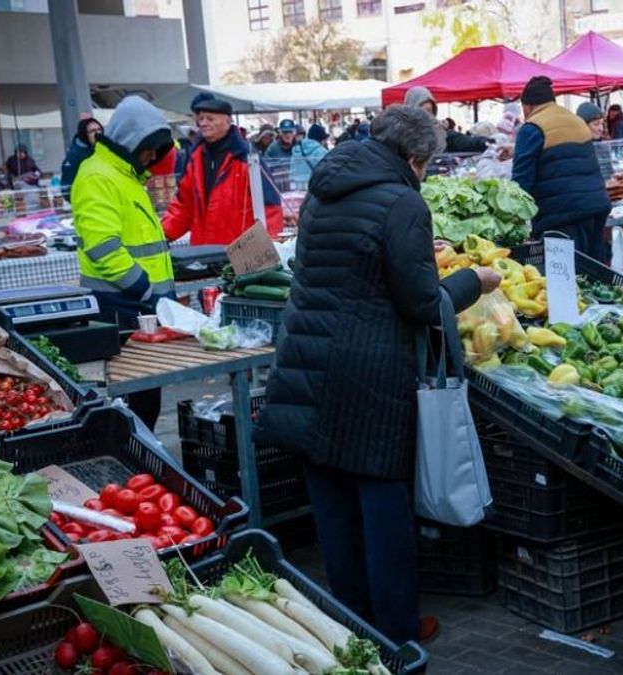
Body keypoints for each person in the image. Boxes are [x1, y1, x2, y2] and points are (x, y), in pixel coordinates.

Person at [259, 104, 501, 646]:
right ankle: (396, 630)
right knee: (382, 505)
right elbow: (419, 303)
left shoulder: (325, 187)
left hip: (307, 358)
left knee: (333, 498)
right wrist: (473, 281)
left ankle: (350, 623)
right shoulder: (403, 202)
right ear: (415, 159)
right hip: (368, 369)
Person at [71, 97, 175, 429]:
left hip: (139, 306)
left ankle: (143, 467)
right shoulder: (98, 176)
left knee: (146, 400)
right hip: (124, 307)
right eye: (147, 148)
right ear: (131, 141)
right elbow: (104, 249)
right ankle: (136, 467)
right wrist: (146, 291)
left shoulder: (123, 174)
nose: (150, 155)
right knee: (136, 406)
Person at [511, 76, 611, 261]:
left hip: (561, 215)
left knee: (568, 279)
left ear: (528, 106)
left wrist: (512, 217)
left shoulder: (532, 127)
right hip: (596, 207)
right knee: (595, 276)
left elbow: (521, 180)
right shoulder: (576, 121)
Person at [163, 93, 283, 245]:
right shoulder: (194, 159)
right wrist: (162, 236)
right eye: (201, 119)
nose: (204, 123)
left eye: (210, 118)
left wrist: (269, 250)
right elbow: (183, 206)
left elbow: (270, 208)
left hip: (241, 254)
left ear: (227, 122)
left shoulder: (247, 158)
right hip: (204, 254)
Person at [403, 86, 491, 153]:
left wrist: (486, 142)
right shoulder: (399, 136)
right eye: (421, 111)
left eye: (429, 111)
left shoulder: (441, 133)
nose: (426, 116)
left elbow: (465, 141)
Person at [267, 119, 328, 189]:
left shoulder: (301, 145)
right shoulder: (272, 148)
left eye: (290, 132)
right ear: (280, 133)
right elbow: (267, 168)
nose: (288, 135)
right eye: (285, 132)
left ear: (294, 132)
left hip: (299, 185)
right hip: (281, 185)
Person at [60, 118, 103, 197]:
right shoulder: (74, 156)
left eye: (99, 129)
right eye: (92, 131)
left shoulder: (104, 149)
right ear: (84, 134)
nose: (97, 133)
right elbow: (67, 188)